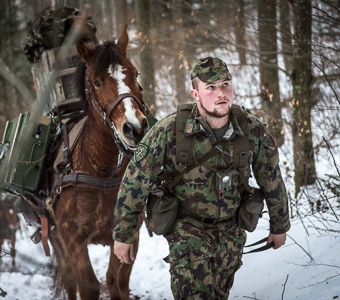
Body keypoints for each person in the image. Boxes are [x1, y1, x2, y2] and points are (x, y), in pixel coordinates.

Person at [112, 57, 290, 299]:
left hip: (231, 231)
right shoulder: (170, 130)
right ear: (195, 94)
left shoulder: (250, 129)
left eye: (225, 84)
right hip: (186, 229)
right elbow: (136, 179)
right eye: (211, 87)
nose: (221, 93)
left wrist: (279, 225)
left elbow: (271, 177)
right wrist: (124, 234)